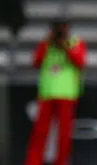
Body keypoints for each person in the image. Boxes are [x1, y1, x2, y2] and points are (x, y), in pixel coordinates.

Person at [24, 20, 87, 165]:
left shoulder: (75, 42)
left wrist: (65, 46)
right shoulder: (46, 44)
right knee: (40, 133)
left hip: (67, 93)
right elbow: (36, 61)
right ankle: (33, 162)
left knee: (64, 134)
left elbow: (80, 61)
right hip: (47, 93)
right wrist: (47, 42)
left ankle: (61, 162)